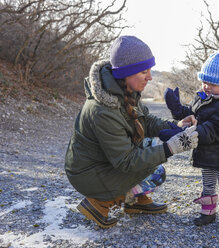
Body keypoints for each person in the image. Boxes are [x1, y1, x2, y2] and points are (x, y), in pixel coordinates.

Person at [64, 36, 199, 229]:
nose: (150, 77)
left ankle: (134, 201)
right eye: (144, 71)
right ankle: (99, 203)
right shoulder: (102, 110)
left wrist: (176, 126)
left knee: (152, 151)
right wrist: (170, 148)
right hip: (87, 174)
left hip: (101, 163)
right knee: (154, 168)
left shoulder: (125, 90)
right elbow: (126, 161)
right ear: (126, 73)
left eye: (150, 70)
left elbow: (145, 121)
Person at [161, 48, 219, 234]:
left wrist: (189, 131)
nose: (207, 86)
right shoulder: (203, 98)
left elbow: (214, 129)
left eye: (212, 84)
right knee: (207, 183)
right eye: (204, 81)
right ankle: (208, 212)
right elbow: (192, 113)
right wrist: (178, 109)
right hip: (206, 151)